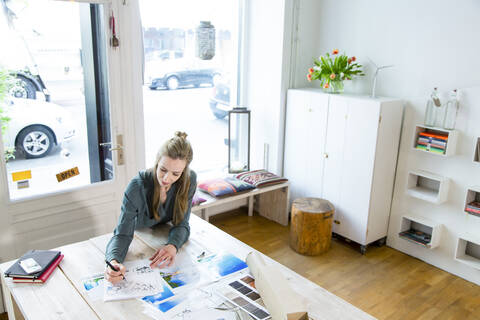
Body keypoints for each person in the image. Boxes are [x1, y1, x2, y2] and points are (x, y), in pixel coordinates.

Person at [105, 131, 196, 284]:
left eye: (176, 173)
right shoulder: (137, 187)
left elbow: (182, 224)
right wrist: (113, 261)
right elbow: (122, 234)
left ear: (184, 171)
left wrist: (173, 246)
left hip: (163, 232)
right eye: (163, 170)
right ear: (157, 162)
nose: (167, 179)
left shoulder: (189, 179)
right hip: (140, 233)